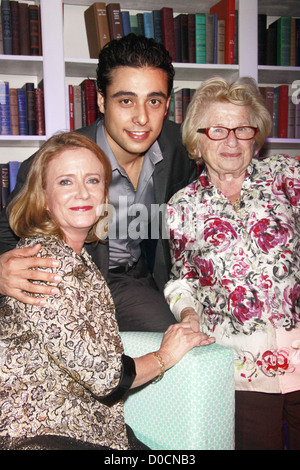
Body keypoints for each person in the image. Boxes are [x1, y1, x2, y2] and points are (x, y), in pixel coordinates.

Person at [0, 132, 211, 451]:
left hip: (88, 428)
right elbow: (106, 378)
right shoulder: (44, 264)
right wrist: (165, 355)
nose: (83, 192)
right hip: (42, 435)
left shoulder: (79, 257)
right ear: (43, 196)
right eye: (66, 182)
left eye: (93, 180)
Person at [0, 34, 198, 332]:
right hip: (80, 279)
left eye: (153, 101)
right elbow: (7, 227)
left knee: (194, 332)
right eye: (126, 100)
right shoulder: (58, 160)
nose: (142, 118)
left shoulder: (178, 147)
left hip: (146, 277)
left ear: (167, 104)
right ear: (102, 101)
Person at [164, 76, 300, 450]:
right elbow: (181, 281)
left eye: (242, 129)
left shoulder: (287, 177)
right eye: (218, 129)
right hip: (241, 371)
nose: (231, 141)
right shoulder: (182, 206)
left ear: (255, 137)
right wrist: (188, 314)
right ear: (197, 139)